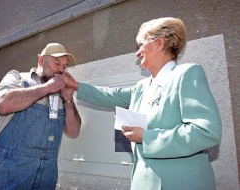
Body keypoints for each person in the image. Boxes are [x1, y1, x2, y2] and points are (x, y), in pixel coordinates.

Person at [60, 17, 222, 190]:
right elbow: (111, 95)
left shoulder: (186, 74)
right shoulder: (142, 87)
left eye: (140, 45)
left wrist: (146, 138)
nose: (137, 53)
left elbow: (206, 132)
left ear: (159, 44)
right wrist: (75, 86)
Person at [0, 43, 81, 190]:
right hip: (7, 172)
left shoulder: (62, 94)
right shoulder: (17, 77)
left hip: (46, 175)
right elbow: (3, 104)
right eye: (57, 63)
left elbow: (73, 132)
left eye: (64, 66)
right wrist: (47, 88)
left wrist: (69, 99)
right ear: (41, 61)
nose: (61, 69)